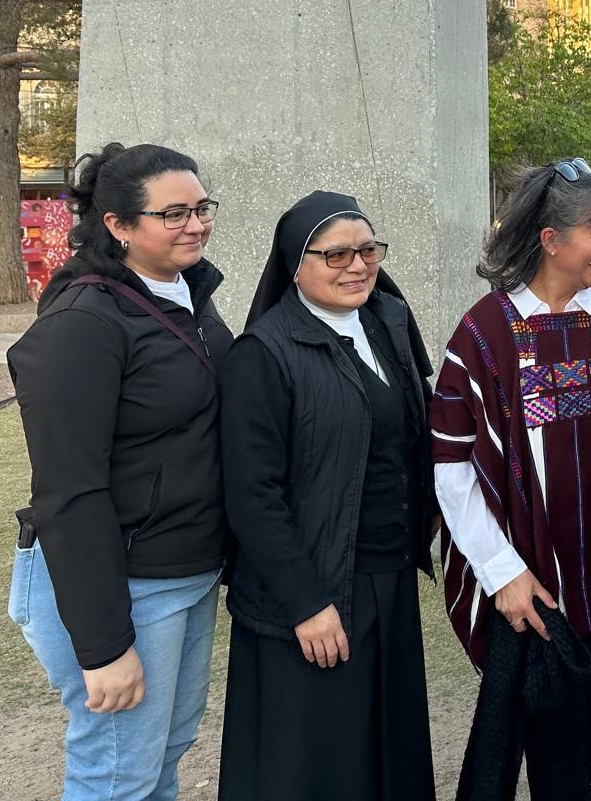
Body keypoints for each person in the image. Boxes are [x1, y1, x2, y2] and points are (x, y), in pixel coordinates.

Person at [7, 142, 232, 800]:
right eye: (174, 214)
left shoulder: (185, 289)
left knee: (161, 756)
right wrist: (104, 646)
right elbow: (68, 491)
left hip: (187, 569)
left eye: (201, 208)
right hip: (126, 585)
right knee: (116, 775)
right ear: (118, 225)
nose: (196, 224)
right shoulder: (85, 322)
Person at [431, 158, 591, 796]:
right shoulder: (483, 333)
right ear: (551, 240)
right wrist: (502, 575)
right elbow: (452, 470)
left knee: (578, 742)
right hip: (528, 590)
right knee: (545, 747)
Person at [217, 191, 438, 799]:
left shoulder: (388, 321)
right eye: (335, 254)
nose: (357, 265)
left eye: (368, 249)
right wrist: (307, 603)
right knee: (317, 759)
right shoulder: (263, 355)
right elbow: (252, 495)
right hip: (312, 584)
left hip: (386, 572)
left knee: (386, 743)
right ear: (295, 264)